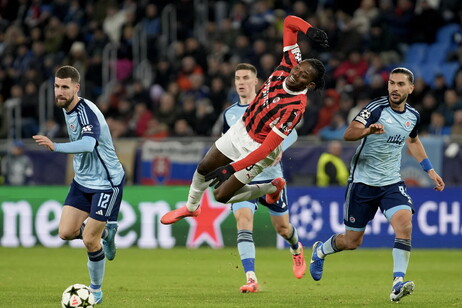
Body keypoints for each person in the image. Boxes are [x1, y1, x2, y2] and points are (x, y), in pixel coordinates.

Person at [161, 15, 327, 225]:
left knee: (220, 196)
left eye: (304, 76)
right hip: (241, 129)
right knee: (204, 167)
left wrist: (232, 168)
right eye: (298, 69)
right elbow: (288, 22)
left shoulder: (295, 109)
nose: (296, 75)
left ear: (310, 85)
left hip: (257, 150)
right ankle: (191, 208)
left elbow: (266, 149)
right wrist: (309, 30)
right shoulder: (290, 62)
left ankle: (271, 187)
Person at [309, 67, 445, 302]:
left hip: (391, 182)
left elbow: (412, 141)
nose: (394, 88)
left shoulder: (413, 115)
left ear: (410, 88)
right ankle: (320, 251)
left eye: (400, 84)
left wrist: (430, 170)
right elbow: (349, 133)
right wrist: (368, 130)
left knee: (405, 225)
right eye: (392, 83)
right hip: (362, 182)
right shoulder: (375, 109)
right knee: (352, 242)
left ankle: (397, 283)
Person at [33, 65, 125, 304]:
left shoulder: (86, 112)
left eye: (65, 87)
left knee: (88, 241)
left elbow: (87, 144)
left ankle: (95, 291)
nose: (59, 92)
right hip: (82, 180)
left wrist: (57, 146)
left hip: (106, 182)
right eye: (56, 86)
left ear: (76, 88)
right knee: (65, 232)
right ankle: (106, 231)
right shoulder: (67, 107)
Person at [221, 63, 305, 293]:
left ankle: (296, 249)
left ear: (255, 81)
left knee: (283, 229)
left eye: (246, 77)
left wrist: (278, 147)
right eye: (237, 78)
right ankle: (251, 278)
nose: (241, 82)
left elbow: (293, 132)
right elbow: (224, 145)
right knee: (243, 223)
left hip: (271, 179)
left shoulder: (271, 104)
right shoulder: (229, 114)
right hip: (243, 178)